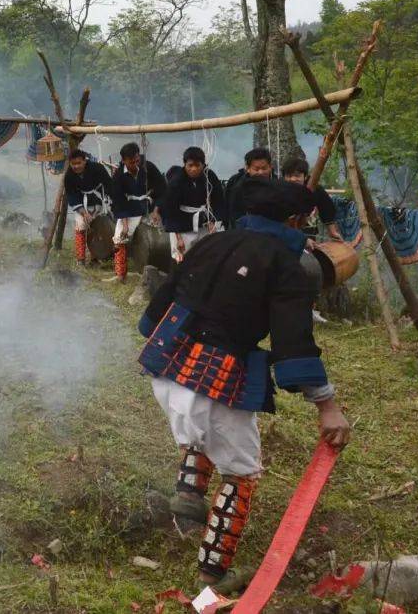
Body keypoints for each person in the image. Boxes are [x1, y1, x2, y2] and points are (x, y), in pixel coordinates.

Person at [137, 175, 351, 591]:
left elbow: (157, 308)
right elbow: (293, 343)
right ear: (293, 220)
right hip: (212, 378)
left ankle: (188, 494)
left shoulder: (210, 242)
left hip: (166, 368)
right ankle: (213, 575)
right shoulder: (286, 266)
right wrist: (328, 405)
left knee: (197, 428)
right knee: (239, 475)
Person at [109, 142, 166, 282]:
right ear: (124, 161)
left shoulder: (148, 167)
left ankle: (161, 269)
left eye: (137, 160)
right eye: (131, 162)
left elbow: (162, 188)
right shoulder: (118, 176)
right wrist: (125, 223)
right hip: (130, 208)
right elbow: (117, 201)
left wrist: (157, 211)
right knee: (119, 239)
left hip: (149, 205)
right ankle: (120, 274)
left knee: (161, 237)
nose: (135, 164)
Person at [161, 146, 226, 263]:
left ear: (203, 165)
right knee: (182, 258)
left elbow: (218, 200)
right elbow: (170, 211)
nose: (194, 169)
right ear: (185, 164)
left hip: (205, 222)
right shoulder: (176, 181)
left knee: (207, 255)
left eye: (197, 165)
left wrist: (214, 221)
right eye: (190, 165)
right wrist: (178, 238)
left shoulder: (210, 176)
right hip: (182, 225)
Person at [63, 149, 112, 264]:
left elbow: (109, 184)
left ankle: (96, 256)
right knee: (81, 226)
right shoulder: (69, 176)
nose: (76, 166)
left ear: (85, 161)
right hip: (81, 205)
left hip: (99, 202)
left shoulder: (97, 168)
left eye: (78, 163)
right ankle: (80, 259)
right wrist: (84, 213)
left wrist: (110, 201)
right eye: (73, 164)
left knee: (99, 227)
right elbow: (72, 196)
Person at [282, 156, 344, 243]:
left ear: (305, 176)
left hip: (308, 231)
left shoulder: (314, 189)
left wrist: (332, 231)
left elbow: (327, 207)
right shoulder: (278, 191)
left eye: (297, 176)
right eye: (289, 176)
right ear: (283, 177)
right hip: (284, 234)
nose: (292, 179)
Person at [224, 147, 273, 228]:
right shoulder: (236, 185)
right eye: (256, 169)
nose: (261, 172)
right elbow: (232, 213)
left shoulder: (277, 185)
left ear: (270, 167)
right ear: (248, 168)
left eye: (264, 168)